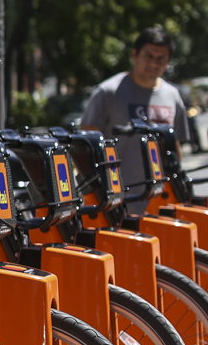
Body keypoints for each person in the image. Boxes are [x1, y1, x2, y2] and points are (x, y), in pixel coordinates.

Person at [79, 26, 190, 211]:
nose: (154, 63)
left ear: (168, 62)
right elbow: (85, 148)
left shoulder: (172, 96)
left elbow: (175, 148)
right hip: (114, 202)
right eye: (148, 56)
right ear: (135, 55)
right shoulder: (108, 93)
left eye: (161, 58)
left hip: (158, 202)